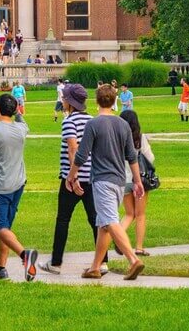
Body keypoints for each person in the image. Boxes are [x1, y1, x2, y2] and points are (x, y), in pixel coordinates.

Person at [66, 84, 145, 280]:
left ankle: (133, 259)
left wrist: (71, 175)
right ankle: (95, 267)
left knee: (109, 221)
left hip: (102, 181)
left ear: (96, 101)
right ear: (114, 101)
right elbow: (132, 156)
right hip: (119, 181)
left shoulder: (93, 124)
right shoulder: (123, 124)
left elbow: (81, 155)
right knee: (103, 224)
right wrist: (137, 181)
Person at [39, 84, 109, 275]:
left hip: (72, 178)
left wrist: (73, 176)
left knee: (63, 219)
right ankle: (103, 261)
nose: (62, 101)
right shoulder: (93, 121)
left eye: (64, 98)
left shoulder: (69, 121)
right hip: (92, 177)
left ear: (70, 102)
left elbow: (73, 149)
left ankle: (56, 262)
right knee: (96, 219)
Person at [0, 93, 38, 282]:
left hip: (1, 186)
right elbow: (22, 121)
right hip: (18, 184)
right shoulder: (21, 129)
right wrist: (18, 111)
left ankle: (24, 255)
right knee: (6, 226)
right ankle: (1, 267)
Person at [118, 110, 154, 256]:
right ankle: (139, 247)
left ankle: (118, 238)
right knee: (140, 214)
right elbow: (150, 158)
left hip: (123, 179)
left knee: (128, 214)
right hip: (139, 179)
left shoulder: (117, 138)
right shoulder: (140, 138)